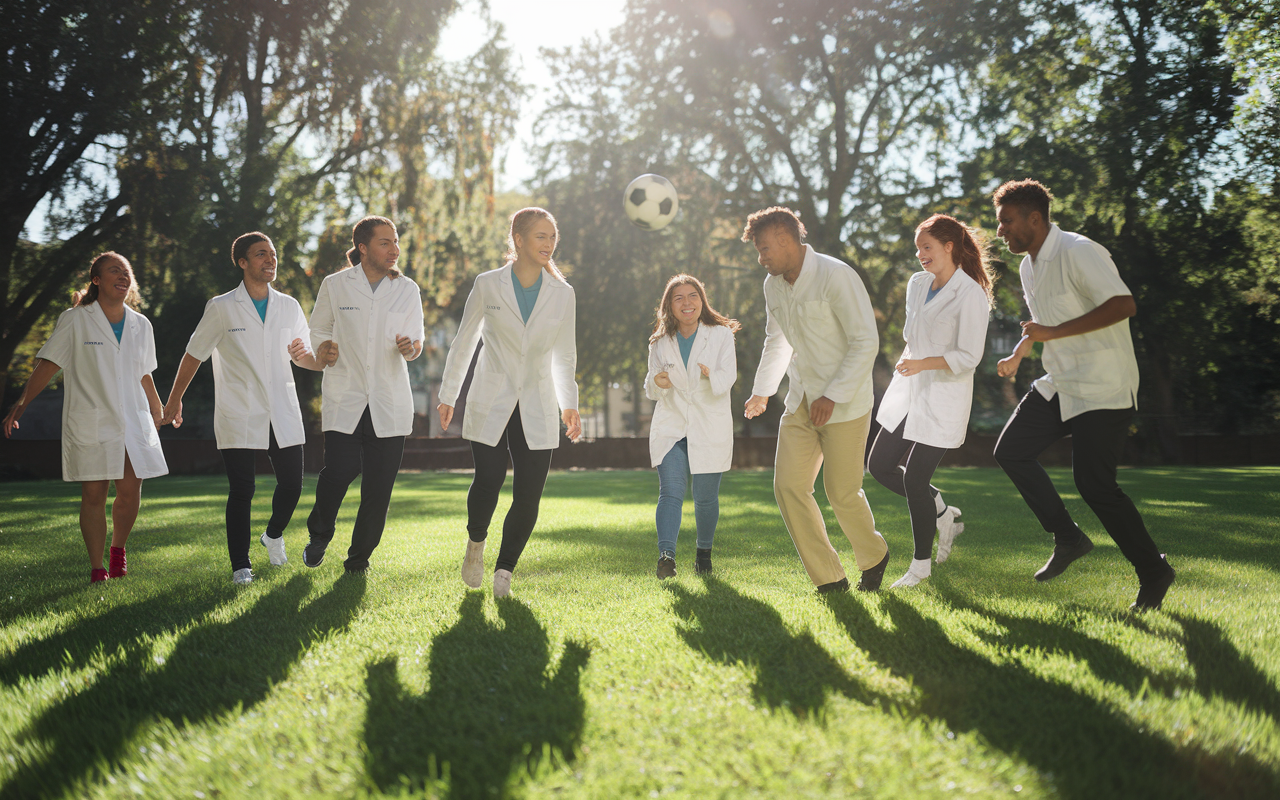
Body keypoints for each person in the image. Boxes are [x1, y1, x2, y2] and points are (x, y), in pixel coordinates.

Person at [991, 179, 1175, 611]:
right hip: (1061, 380)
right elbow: (1042, 322)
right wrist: (1022, 350)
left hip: (1103, 384)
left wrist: (1051, 333)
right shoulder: (1028, 266)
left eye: (1007, 222)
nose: (1001, 231)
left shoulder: (1079, 250)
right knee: (1011, 450)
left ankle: (1154, 570)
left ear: (1035, 218)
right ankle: (1068, 537)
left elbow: (1122, 305)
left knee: (1095, 485)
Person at [742, 207, 889, 592]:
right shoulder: (772, 285)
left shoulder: (836, 276)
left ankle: (874, 555)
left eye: (765, 248)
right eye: (759, 250)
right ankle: (829, 578)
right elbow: (777, 340)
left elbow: (864, 342)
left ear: (788, 239)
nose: (762, 257)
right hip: (801, 400)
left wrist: (833, 395)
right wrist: (763, 390)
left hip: (846, 403)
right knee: (788, 486)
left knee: (841, 493)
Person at [161, 232, 322, 584]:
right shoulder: (221, 307)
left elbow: (306, 356)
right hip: (240, 408)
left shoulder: (290, 305)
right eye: (261, 254)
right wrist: (174, 400)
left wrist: (315, 359)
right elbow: (194, 354)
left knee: (293, 485)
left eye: (273, 254)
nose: (270, 260)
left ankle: (274, 534)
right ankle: (241, 566)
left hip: (281, 406)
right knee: (242, 489)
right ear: (242, 262)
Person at [437, 207, 581, 599]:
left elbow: (564, 355)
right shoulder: (487, 284)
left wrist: (570, 404)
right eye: (540, 236)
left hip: (537, 400)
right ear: (518, 239)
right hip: (490, 395)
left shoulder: (562, 294)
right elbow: (464, 340)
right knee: (488, 479)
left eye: (553, 237)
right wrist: (449, 394)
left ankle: (505, 570)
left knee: (529, 493)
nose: (549, 244)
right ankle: (476, 545)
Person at [2, 252, 168, 582]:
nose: (122, 276)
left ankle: (118, 550)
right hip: (92, 417)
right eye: (113, 271)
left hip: (134, 418)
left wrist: (158, 408)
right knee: (93, 494)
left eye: (126, 271)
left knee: (130, 490)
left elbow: (144, 372)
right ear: (96, 280)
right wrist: (21, 401)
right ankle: (97, 567)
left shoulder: (141, 324)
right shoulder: (76, 319)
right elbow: (49, 363)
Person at [868, 214, 994, 588]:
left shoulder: (971, 294)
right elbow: (914, 334)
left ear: (949, 247)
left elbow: (969, 357)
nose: (921, 255)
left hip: (943, 398)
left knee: (916, 479)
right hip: (910, 390)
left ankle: (920, 567)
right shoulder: (917, 284)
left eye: (928, 247)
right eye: (918, 249)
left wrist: (924, 362)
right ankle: (942, 512)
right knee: (879, 465)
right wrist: (911, 361)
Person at [303, 216, 424, 573]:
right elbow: (319, 327)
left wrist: (410, 348)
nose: (394, 249)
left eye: (396, 241)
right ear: (363, 248)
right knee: (337, 472)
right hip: (346, 395)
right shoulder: (336, 285)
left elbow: (417, 340)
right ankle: (320, 534)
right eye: (385, 242)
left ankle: (359, 559)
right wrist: (323, 346)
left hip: (389, 400)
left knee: (378, 488)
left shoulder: (407, 289)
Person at [644, 274, 739, 579]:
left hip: (709, 425)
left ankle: (704, 553)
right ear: (669, 307)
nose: (687, 303)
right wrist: (656, 382)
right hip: (671, 426)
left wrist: (712, 375)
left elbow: (730, 377)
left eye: (693, 296)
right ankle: (666, 557)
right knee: (670, 491)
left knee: (705, 497)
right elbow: (652, 386)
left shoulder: (721, 335)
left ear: (702, 300)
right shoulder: (660, 343)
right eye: (679, 298)